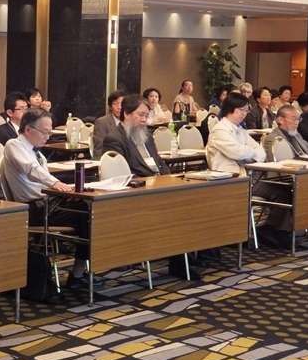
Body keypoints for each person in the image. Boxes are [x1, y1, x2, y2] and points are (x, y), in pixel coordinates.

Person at [2, 107, 105, 290]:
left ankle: (81, 271)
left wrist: (63, 192)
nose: (47, 137)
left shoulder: (37, 152)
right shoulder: (14, 145)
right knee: (89, 214)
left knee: (93, 210)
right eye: (45, 132)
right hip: (34, 209)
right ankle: (78, 274)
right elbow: (32, 170)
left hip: (49, 203)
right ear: (28, 129)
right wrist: (55, 184)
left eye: (50, 132)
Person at [101, 94, 198, 279]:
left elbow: (160, 164)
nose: (144, 120)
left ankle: (191, 252)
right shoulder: (114, 139)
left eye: (147, 116)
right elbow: (121, 175)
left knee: (191, 200)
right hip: (138, 193)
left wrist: (171, 180)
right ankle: (179, 261)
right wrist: (154, 183)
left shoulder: (146, 136)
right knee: (174, 210)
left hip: (159, 187)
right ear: (126, 113)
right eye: (140, 115)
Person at [207, 92, 292, 248]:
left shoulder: (240, 130)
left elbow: (261, 153)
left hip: (249, 176)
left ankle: (275, 230)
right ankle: (269, 232)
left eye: (246, 110)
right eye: (241, 110)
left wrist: (248, 153)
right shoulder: (220, 130)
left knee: (283, 190)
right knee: (279, 192)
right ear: (230, 109)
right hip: (230, 179)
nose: (244, 114)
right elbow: (237, 153)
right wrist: (249, 153)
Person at [92, 90, 125, 160]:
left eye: (122, 104)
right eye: (115, 104)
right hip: (110, 160)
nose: (119, 107)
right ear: (110, 107)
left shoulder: (129, 122)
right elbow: (99, 149)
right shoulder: (102, 122)